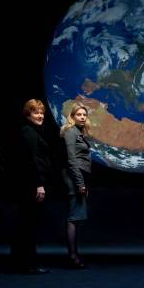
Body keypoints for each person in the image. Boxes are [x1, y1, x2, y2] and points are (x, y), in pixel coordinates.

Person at [10, 99, 51, 274]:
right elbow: (31, 161)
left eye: (41, 112)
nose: (40, 115)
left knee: (28, 224)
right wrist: (39, 185)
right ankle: (27, 265)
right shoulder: (28, 132)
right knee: (27, 225)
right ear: (28, 114)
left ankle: (26, 263)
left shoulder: (33, 131)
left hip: (31, 185)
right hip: (30, 187)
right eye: (36, 112)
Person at [61, 103, 91, 269]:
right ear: (72, 116)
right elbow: (71, 160)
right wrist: (80, 184)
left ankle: (74, 254)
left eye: (84, 115)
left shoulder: (77, 132)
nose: (82, 117)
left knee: (76, 217)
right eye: (78, 114)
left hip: (77, 178)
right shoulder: (70, 132)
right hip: (73, 179)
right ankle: (72, 257)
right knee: (73, 218)